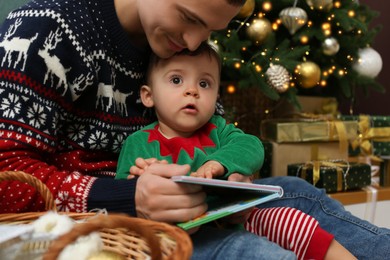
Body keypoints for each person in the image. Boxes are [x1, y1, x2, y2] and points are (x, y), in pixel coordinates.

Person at [0, 0, 388, 259]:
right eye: (189, 18)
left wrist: (233, 173)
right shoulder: (46, 29)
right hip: (119, 230)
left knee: (297, 192)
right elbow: (5, 177)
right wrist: (126, 196)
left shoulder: (180, 49)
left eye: (210, 31)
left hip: (203, 205)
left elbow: (220, 134)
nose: (193, 42)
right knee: (245, 248)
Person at [115, 42, 356, 260]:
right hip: (174, 239)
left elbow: (252, 146)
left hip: (233, 222)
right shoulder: (139, 142)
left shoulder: (218, 130)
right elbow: (126, 200)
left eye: (204, 83)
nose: (192, 91)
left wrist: (217, 164)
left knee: (296, 224)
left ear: (216, 96)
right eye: (176, 80)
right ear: (149, 96)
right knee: (263, 252)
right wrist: (141, 179)